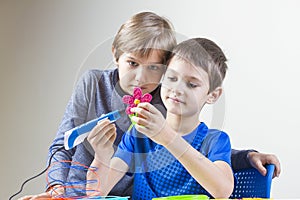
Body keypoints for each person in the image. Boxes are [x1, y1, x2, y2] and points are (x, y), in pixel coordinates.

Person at [18, 11, 280, 200]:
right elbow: (86, 178)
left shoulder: (187, 123)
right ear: (116, 56)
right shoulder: (122, 117)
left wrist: (245, 157)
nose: (142, 79)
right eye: (172, 79)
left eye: (155, 68)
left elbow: (212, 171)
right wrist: (96, 159)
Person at [87, 37, 236, 199]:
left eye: (192, 84)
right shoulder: (138, 134)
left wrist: (168, 137)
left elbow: (223, 191)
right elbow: (97, 193)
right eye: (172, 78)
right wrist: (101, 156)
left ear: (213, 95)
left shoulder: (214, 140)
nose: (177, 88)